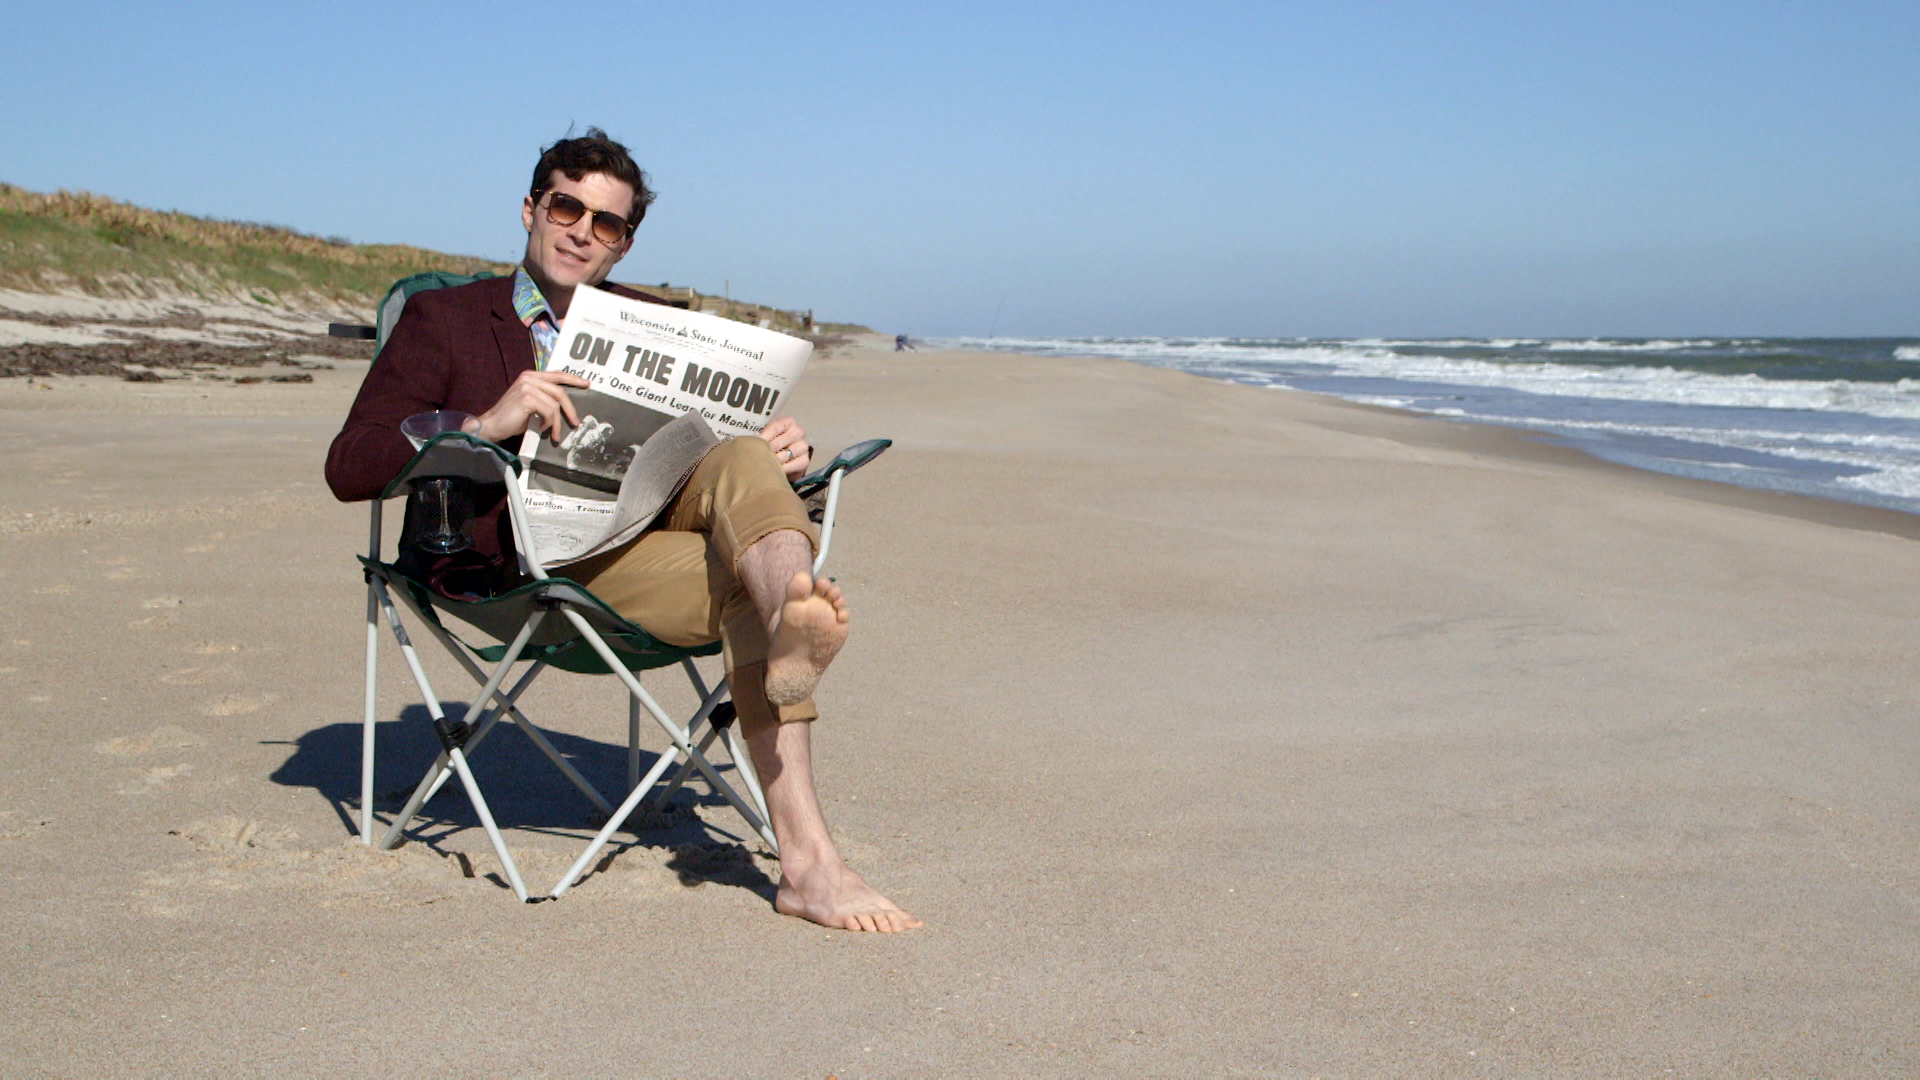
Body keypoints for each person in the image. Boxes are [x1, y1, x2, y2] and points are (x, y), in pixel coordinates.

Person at [325, 128, 920, 933]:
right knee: (753, 586)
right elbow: (349, 464)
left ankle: (790, 635)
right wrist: (488, 420)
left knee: (747, 458)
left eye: (607, 223)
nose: (581, 230)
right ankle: (811, 860)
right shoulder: (444, 320)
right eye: (567, 206)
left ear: (625, 242)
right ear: (531, 208)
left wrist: (785, 449)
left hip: (648, 537)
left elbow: (711, 458)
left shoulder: (653, 320)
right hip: (530, 573)